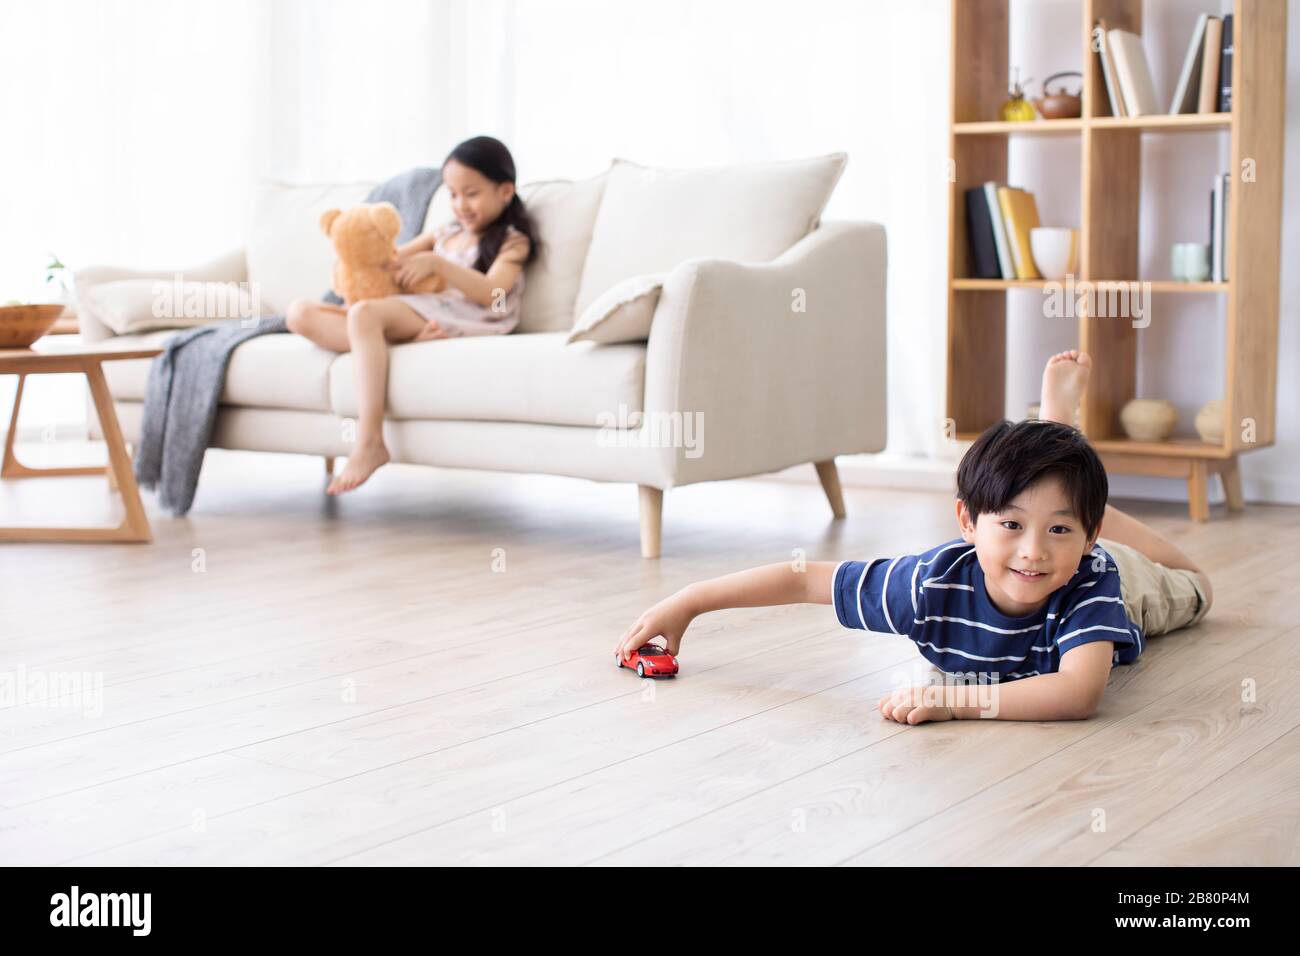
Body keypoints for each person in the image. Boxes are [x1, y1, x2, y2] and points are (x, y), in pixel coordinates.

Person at [615, 351, 1213, 724]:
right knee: (1050, 499)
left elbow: (1079, 692)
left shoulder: (1090, 584)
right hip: (1083, 536)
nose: (1032, 551)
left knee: (1199, 587)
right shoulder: (931, 582)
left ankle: (1065, 456)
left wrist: (957, 702)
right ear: (965, 521)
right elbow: (804, 579)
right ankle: (1058, 449)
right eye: (1008, 524)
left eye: (1060, 529)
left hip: (1122, 577)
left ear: (1086, 537)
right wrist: (687, 600)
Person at [285, 135, 538, 495]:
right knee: (300, 314)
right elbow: (392, 259)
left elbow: (494, 295)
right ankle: (397, 342)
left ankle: (370, 441)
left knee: (363, 316)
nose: (460, 204)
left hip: (468, 316)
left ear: (505, 190)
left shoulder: (513, 241)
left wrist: (437, 265)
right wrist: (362, 250)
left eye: (471, 193)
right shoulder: (446, 232)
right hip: (420, 312)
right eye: (452, 194)